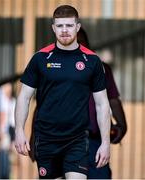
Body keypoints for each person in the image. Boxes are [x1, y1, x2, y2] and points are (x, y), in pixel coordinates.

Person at [14, 5, 111, 179]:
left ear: (78, 27)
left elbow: (102, 103)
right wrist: (19, 131)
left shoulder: (92, 61)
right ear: (53, 28)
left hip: (77, 140)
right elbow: (24, 97)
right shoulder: (40, 58)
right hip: (46, 139)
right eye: (59, 26)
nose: (64, 30)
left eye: (69, 25)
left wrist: (105, 142)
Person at [77, 27, 127, 179]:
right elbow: (43, 105)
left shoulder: (101, 69)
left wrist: (122, 125)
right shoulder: (56, 71)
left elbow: (113, 101)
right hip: (68, 140)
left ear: (88, 44)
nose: (77, 47)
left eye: (80, 42)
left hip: (95, 140)